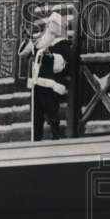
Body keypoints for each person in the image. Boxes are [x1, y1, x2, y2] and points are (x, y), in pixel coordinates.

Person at [21, 10, 70, 141]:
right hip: (37, 83)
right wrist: (27, 40)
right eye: (50, 23)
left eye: (54, 24)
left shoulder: (62, 43)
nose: (50, 26)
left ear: (59, 27)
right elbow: (25, 53)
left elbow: (63, 63)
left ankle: (56, 137)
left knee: (51, 113)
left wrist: (50, 56)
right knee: (36, 114)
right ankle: (36, 139)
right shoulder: (42, 41)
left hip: (50, 85)